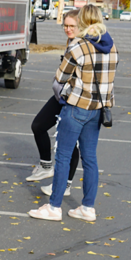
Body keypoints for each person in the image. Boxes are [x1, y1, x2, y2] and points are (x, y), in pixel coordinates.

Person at [29, 4, 116, 222]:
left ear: (84, 22)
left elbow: (60, 77)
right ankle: (87, 207)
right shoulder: (112, 47)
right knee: (90, 159)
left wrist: (66, 92)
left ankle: (54, 206)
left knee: (63, 156)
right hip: (98, 109)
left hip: (76, 107)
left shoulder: (78, 46)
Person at [26, 11, 81, 197]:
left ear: (81, 25)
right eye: (66, 25)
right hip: (61, 96)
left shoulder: (83, 45)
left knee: (70, 143)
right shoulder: (70, 42)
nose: (68, 29)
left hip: (75, 99)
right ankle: (46, 165)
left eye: (72, 26)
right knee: (38, 125)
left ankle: (65, 185)